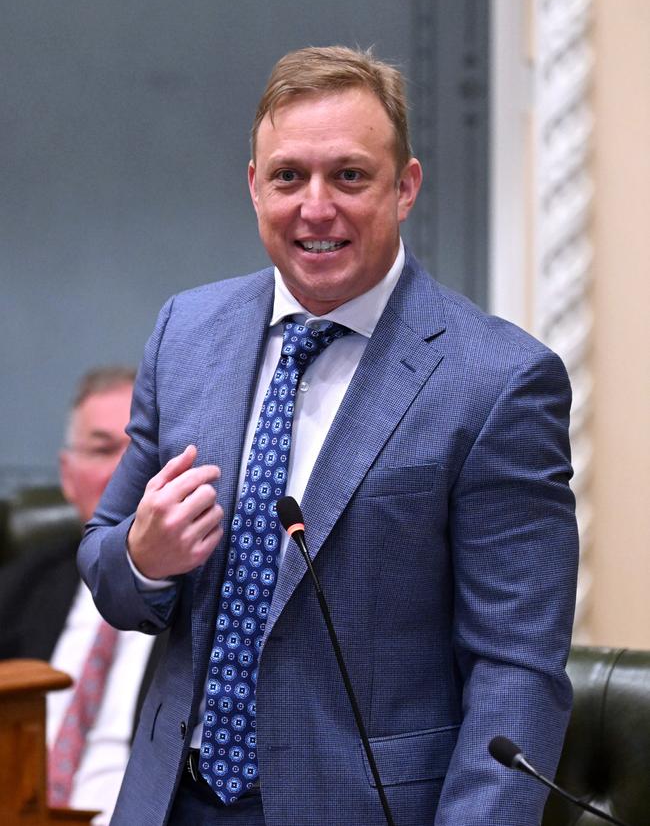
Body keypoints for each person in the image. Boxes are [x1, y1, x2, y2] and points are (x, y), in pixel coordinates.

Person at [78, 46, 578, 826]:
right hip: (169, 800)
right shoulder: (187, 332)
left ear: (404, 187)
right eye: (288, 177)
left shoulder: (499, 381)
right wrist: (145, 558)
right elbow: (107, 561)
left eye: (349, 176)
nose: (316, 207)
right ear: (254, 187)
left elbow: (515, 671)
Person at [0, 367, 165, 824]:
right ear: (67, 477)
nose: (121, 470)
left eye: (141, 448)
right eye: (102, 449)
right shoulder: (22, 584)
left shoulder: (216, 598)